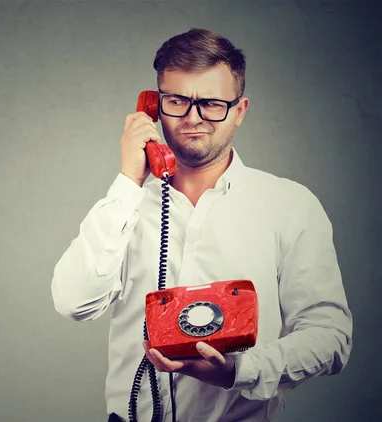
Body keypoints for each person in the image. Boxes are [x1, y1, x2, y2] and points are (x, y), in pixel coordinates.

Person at [50, 28, 353, 422]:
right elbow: (74, 302)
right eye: (177, 101)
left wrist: (236, 371)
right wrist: (128, 180)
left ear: (239, 111)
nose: (193, 119)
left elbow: (329, 336)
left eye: (211, 103)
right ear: (154, 108)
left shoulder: (289, 205)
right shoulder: (124, 206)